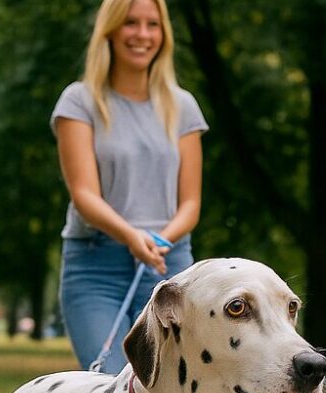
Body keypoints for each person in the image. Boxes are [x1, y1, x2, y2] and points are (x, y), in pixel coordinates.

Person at [53, 0, 206, 372]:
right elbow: (84, 195)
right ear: (110, 31)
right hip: (95, 266)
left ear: (163, 35)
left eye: (152, 25)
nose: (142, 35)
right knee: (110, 385)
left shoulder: (182, 106)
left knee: (174, 389)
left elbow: (190, 203)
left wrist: (159, 240)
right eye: (131, 24)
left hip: (168, 263)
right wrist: (132, 236)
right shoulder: (80, 101)